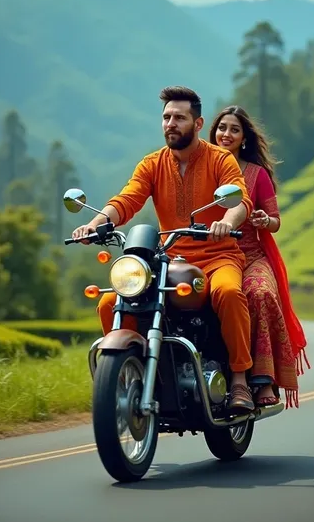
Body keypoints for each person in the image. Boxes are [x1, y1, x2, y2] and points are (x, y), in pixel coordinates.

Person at [72, 86, 257, 413]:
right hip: (168, 259)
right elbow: (127, 199)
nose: (171, 123)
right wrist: (97, 222)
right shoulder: (152, 164)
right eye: (166, 117)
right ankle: (135, 373)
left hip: (218, 255)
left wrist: (227, 221)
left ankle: (240, 381)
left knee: (228, 293)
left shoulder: (220, 159)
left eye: (180, 118)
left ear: (198, 124)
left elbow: (240, 200)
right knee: (109, 302)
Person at [209, 105, 310, 409]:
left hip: (251, 256)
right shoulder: (202, 168)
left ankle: (262, 379)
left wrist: (266, 221)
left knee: (261, 293)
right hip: (209, 255)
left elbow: (276, 220)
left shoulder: (257, 174)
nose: (226, 134)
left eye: (234, 129)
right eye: (222, 128)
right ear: (212, 132)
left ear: (244, 139)